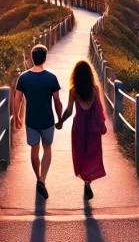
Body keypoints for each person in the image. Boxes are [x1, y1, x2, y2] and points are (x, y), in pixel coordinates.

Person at [14, 44, 63, 200]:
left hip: (31, 121)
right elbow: (57, 101)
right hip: (48, 120)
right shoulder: (51, 78)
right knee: (47, 148)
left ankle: (38, 178)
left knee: (34, 150)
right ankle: (42, 179)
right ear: (45, 58)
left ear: (31, 58)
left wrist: (16, 118)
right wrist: (60, 118)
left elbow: (17, 101)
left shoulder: (23, 77)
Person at [57, 60, 106, 200]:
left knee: (80, 154)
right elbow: (100, 109)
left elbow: (69, 110)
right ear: (90, 74)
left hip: (79, 126)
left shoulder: (74, 91)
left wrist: (60, 122)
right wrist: (102, 125)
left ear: (76, 75)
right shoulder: (95, 89)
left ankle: (85, 179)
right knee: (92, 153)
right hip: (92, 127)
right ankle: (88, 180)